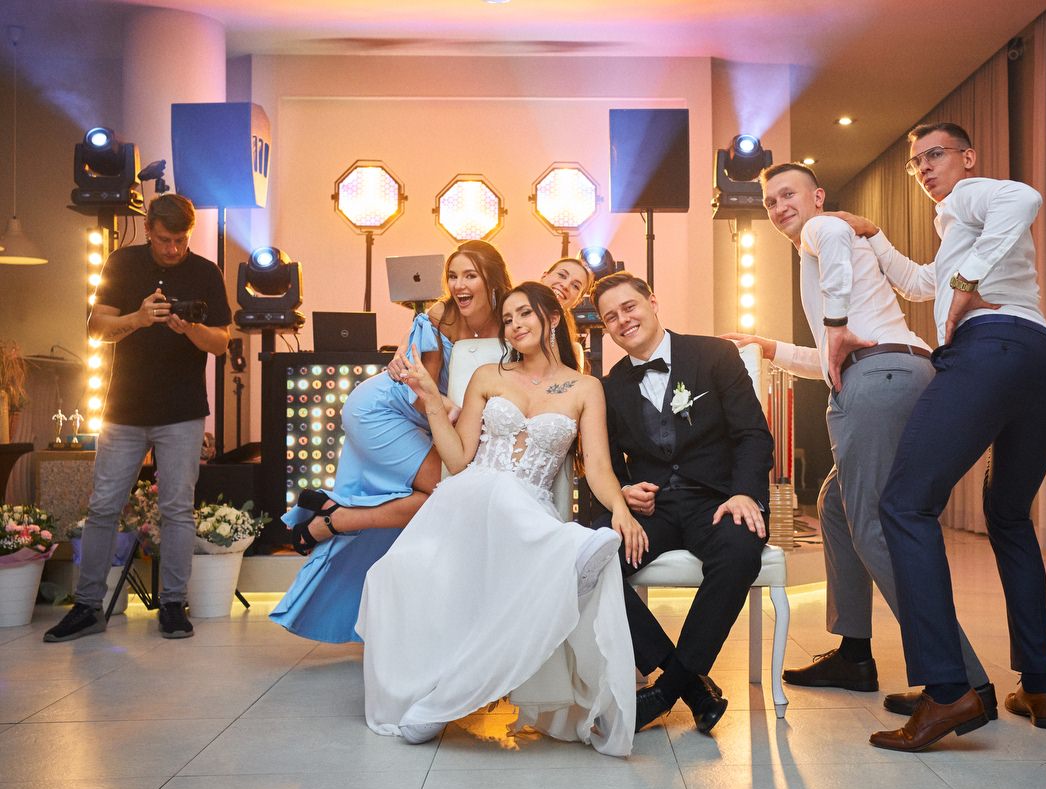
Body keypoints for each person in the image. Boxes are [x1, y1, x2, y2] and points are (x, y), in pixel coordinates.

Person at [833, 123, 1046, 752]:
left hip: (992, 350)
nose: (923, 168)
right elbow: (922, 283)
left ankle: (948, 690)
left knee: (902, 505)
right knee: (1009, 517)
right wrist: (878, 238)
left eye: (934, 155)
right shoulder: (955, 226)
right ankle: (1039, 686)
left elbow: (1024, 197)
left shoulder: (971, 195)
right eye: (915, 162)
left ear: (967, 157)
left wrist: (967, 282)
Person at [722, 163, 993, 717]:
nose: (779, 207)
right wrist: (770, 347)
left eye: (788, 194)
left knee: (875, 527)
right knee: (836, 508)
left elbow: (843, 331)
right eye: (770, 201)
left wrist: (836, 322)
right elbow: (835, 357)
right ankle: (854, 654)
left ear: (817, 196)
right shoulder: (832, 246)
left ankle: (962, 683)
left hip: (880, 380)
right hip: (899, 370)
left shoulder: (824, 229)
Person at [355, 282, 645, 756]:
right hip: (469, 502)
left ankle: (444, 699)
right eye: (508, 319)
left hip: (527, 512)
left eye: (524, 314)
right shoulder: (488, 376)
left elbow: (597, 467)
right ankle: (567, 554)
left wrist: (620, 510)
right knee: (393, 573)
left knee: (513, 500)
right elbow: (458, 458)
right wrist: (430, 397)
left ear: (552, 317)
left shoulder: (585, 387)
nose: (515, 325)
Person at [270, 240, 512, 643]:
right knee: (448, 493)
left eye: (470, 275)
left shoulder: (511, 321)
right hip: (381, 409)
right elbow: (420, 391)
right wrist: (455, 411)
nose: (459, 285)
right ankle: (337, 520)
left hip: (428, 420)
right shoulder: (441, 317)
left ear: (493, 280)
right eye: (453, 276)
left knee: (449, 498)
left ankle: (399, 614)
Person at [592, 272, 774, 735]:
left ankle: (664, 691)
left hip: (720, 499)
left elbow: (753, 435)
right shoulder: (609, 387)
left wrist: (744, 493)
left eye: (629, 307)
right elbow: (606, 463)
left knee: (739, 550)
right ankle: (691, 686)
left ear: (652, 302)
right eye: (611, 317)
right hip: (654, 511)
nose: (622, 320)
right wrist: (624, 492)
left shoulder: (715, 355)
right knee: (589, 559)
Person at [44, 194, 231, 642]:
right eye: (165, 240)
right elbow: (96, 329)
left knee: (177, 510)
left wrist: (191, 329)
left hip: (182, 410)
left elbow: (222, 343)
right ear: (148, 230)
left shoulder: (206, 271)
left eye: (181, 240)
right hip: (124, 408)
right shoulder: (122, 263)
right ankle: (87, 606)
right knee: (104, 506)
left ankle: (173, 605)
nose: (173, 249)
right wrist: (140, 318)